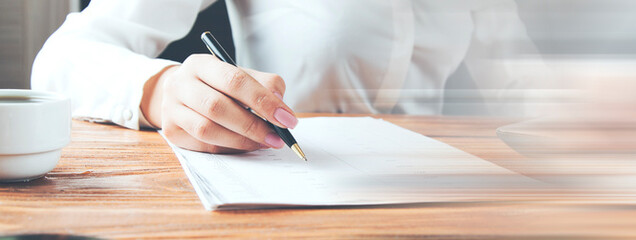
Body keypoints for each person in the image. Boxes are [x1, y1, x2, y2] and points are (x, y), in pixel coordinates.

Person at [32, 0, 544, 154]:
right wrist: (163, 91)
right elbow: (62, 58)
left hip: (435, 200)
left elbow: (523, 83)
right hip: (288, 185)